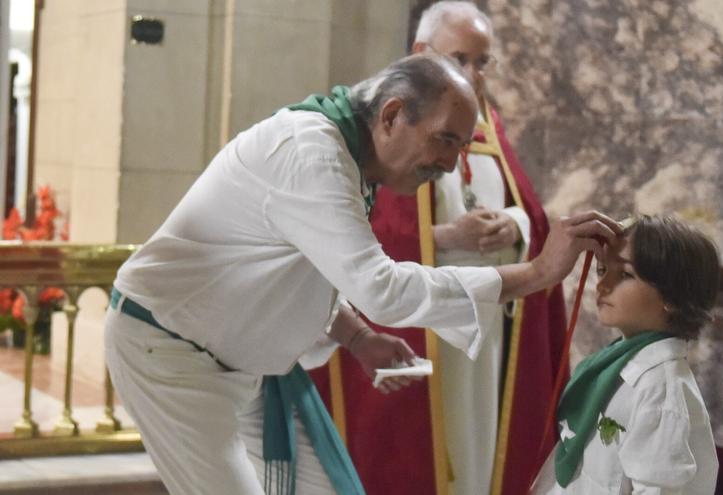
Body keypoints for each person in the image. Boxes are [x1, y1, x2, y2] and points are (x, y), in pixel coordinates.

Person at [104, 52, 623, 495]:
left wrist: (357, 338)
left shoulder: (348, 157)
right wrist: (535, 273)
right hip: (169, 354)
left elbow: (299, 268)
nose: (449, 163)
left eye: (460, 147)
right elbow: (381, 287)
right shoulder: (311, 152)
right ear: (392, 114)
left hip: (239, 366)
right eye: (444, 140)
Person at [309, 3, 568, 494]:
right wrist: (445, 238)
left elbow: (530, 212)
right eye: (461, 58)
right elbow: (358, 237)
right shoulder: (392, 123)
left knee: (480, 437)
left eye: (482, 61)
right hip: (419, 320)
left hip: (488, 326)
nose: (472, 73)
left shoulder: (488, 125)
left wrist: (512, 226)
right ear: (420, 53)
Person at [530, 215, 721, 494]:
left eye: (625, 275)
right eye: (602, 269)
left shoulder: (661, 390)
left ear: (673, 296)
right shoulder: (613, 364)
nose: (603, 285)